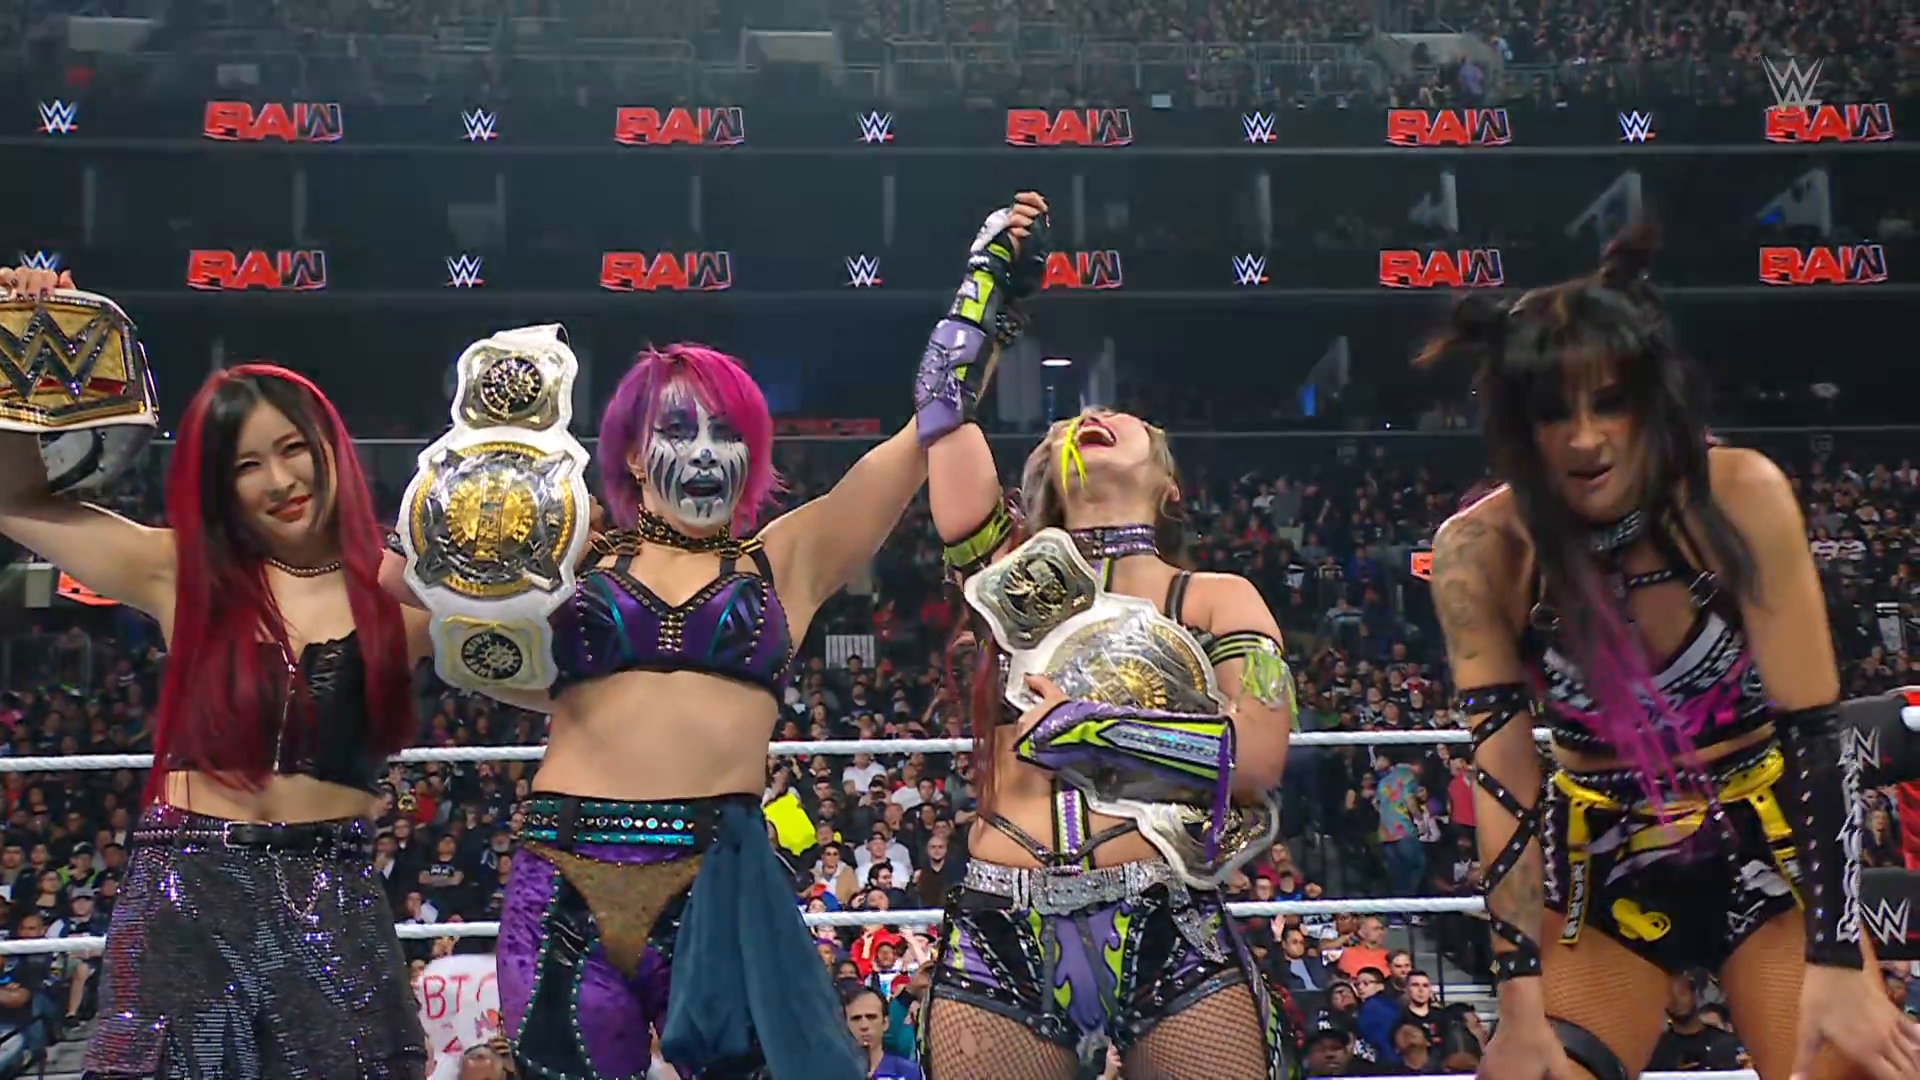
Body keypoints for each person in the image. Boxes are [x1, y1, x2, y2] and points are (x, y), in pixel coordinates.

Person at [385, 191, 1047, 1080]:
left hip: (718, 881)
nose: (703, 451)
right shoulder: (572, 558)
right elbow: (409, 598)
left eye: (726, 432)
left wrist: (985, 292)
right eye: (676, 428)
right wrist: (450, 507)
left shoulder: (786, 560)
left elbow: (930, 418)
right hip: (566, 871)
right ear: (629, 453)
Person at [1419, 226, 1919, 1080]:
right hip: (1604, 862)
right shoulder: (1480, 550)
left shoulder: (1741, 496)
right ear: (1517, 424)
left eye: (1609, 403)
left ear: (1651, 402)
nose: (1585, 438)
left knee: (1856, 1066)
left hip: (1763, 844)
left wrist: (1840, 961)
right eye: (1554, 412)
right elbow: (1505, 784)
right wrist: (1518, 1003)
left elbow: (1818, 735)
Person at [0, 266, 427, 1079]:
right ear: (219, 486)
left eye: (293, 449)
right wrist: (21, 337)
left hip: (333, 889)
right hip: (187, 889)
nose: (282, 481)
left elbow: (532, 644)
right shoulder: (181, 571)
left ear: (330, 448)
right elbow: (16, 500)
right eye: (246, 465)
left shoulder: (403, 591)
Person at [914, 233, 1297, 1074]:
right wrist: (985, 286)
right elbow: (940, 408)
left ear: (1169, 486)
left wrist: (1092, 731)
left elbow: (1258, 761)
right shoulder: (1003, 572)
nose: (1092, 419)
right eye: (1069, 426)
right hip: (1000, 921)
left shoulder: (1216, 597)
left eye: (1128, 423)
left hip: (1165, 915)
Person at [844, 986, 924, 1080]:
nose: (864, 1026)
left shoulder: (909, 1072)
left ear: (885, 1023)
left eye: (871, 1017)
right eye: (856, 1018)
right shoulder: (832, 1072)